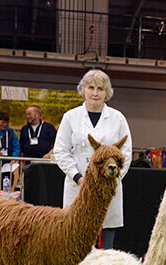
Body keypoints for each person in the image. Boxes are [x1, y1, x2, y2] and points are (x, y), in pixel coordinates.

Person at [54, 69, 132, 250]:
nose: (95, 93)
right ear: (84, 90)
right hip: (78, 187)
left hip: (108, 187)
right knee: (74, 244)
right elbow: (61, 151)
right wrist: (78, 177)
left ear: (107, 93)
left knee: (106, 246)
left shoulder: (118, 118)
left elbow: (125, 154)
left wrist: (112, 178)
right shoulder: (70, 117)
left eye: (100, 89)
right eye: (91, 88)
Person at [0, 112, 20, 190]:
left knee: (7, 186)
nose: (4, 125)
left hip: (7, 165)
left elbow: (16, 146)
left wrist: (14, 157)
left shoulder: (12, 133)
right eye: (2, 122)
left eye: (6, 123)